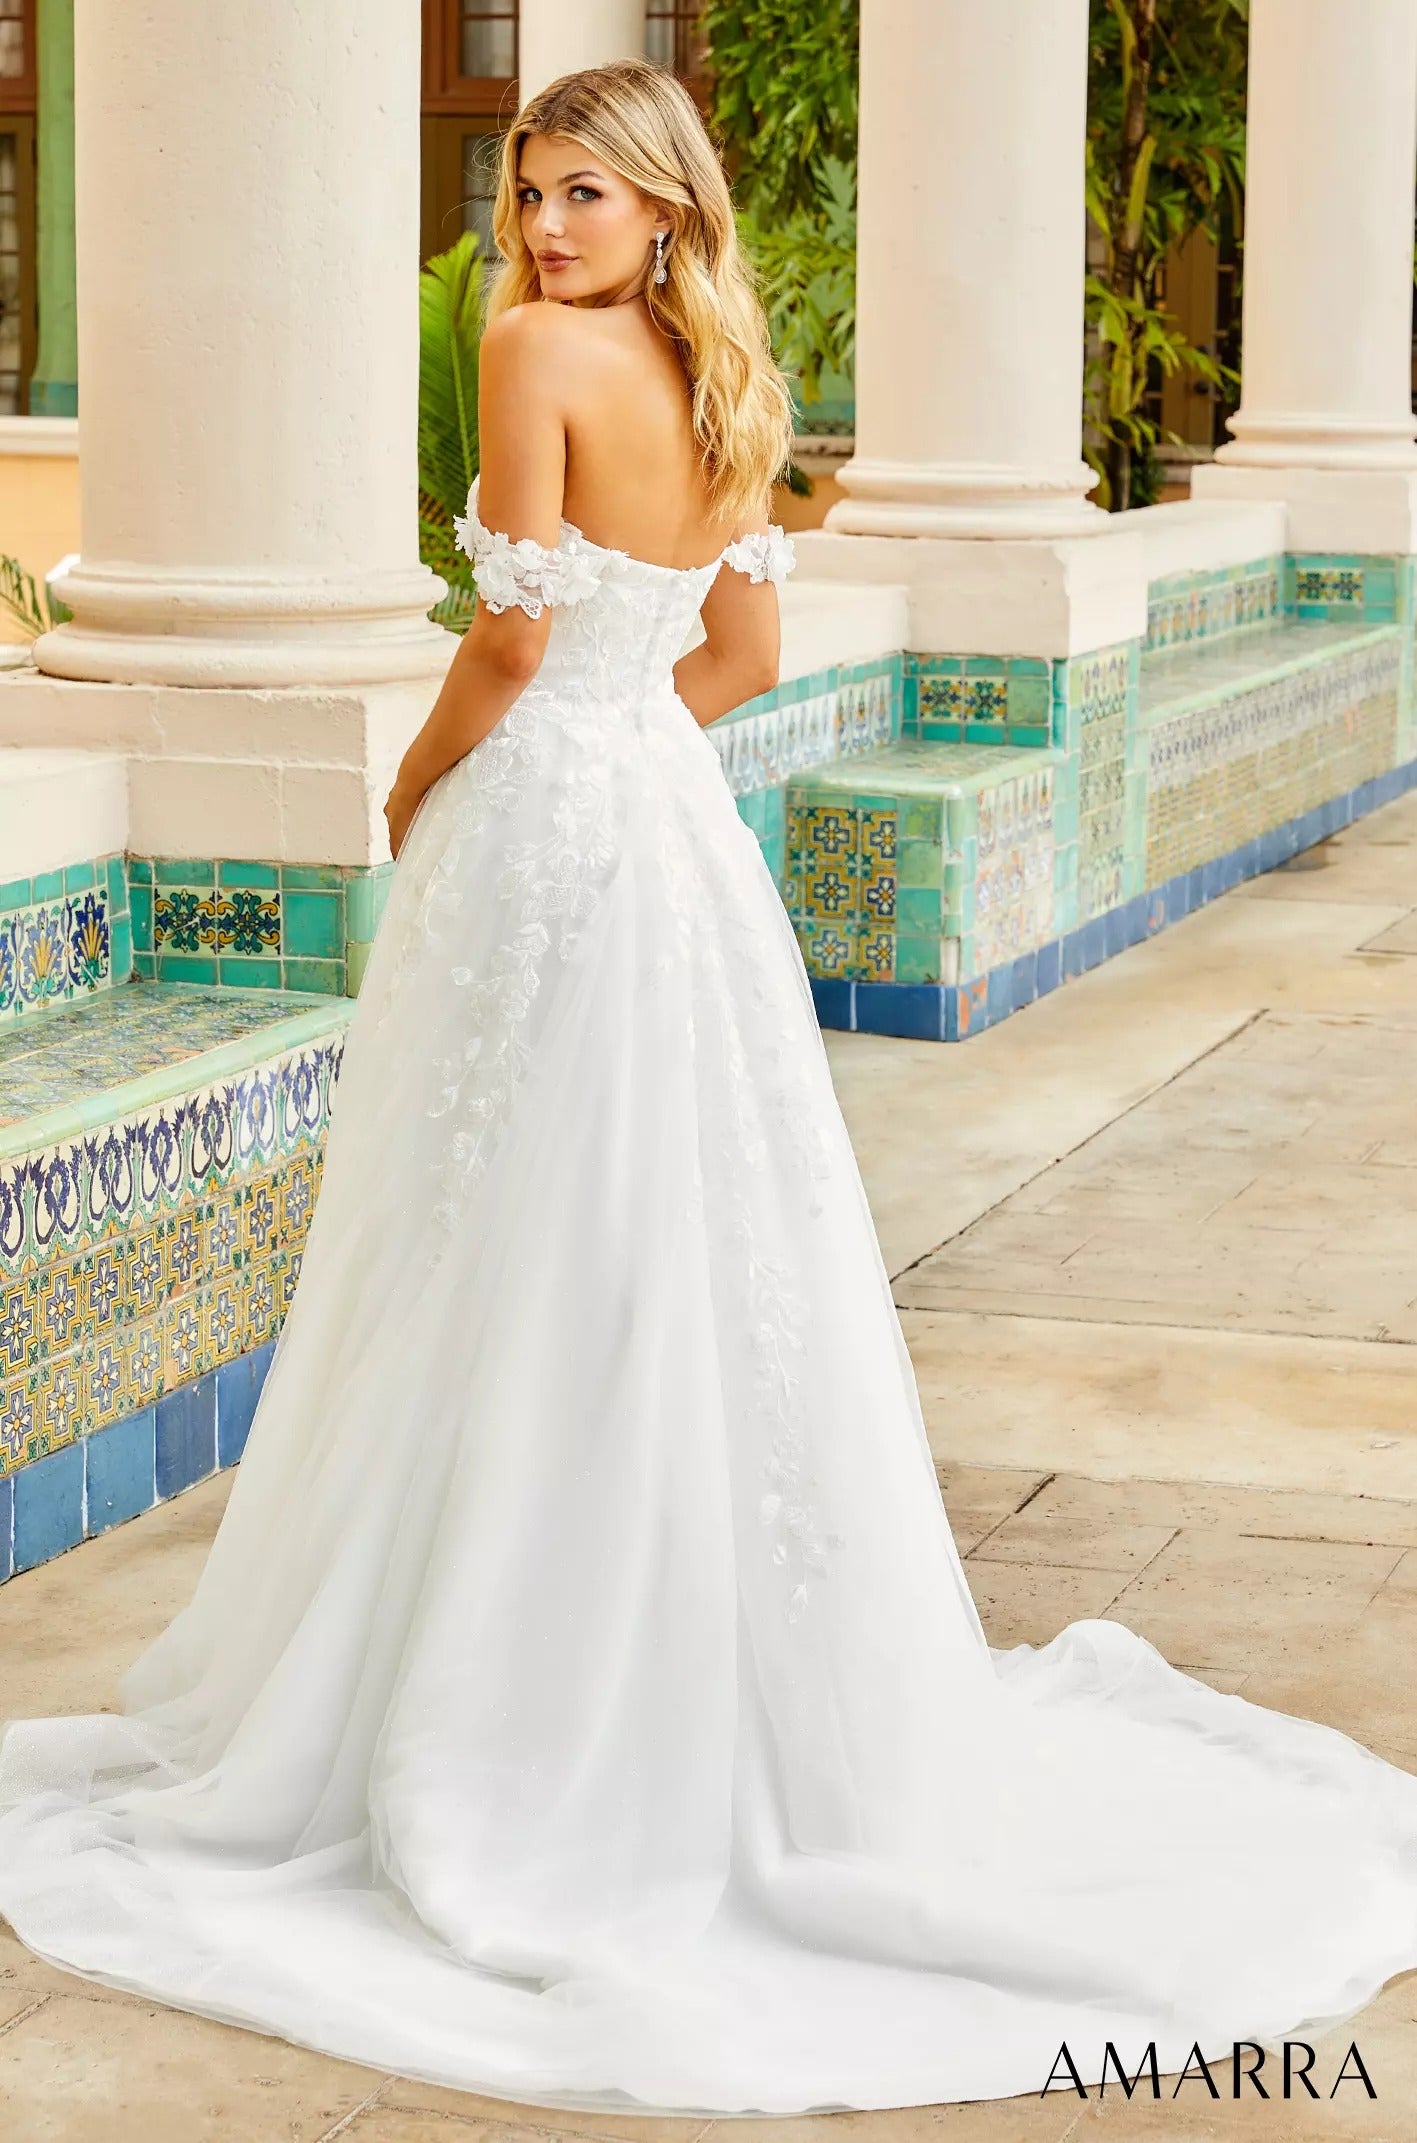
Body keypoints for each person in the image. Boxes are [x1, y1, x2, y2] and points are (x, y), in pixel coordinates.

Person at [2, 56, 1416, 2121]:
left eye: (582, 189)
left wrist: (424, 784)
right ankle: (695, 1692)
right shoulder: (716, 371)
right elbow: (737, 661)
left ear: (662, 208)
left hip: (543, 823)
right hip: (664, 828)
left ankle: (499, 1700)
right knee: (655, 1228)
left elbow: (496, 648)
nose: (542, 222)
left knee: (500, 1233)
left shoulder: (528, 351)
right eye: (526, 185)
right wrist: (617, 737)